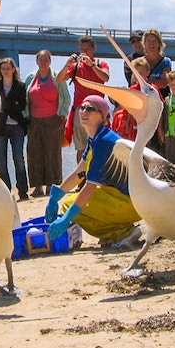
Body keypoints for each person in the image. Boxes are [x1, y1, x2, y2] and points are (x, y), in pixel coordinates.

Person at [45, 95, 142, 249]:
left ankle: (122, 233)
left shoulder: (104, 141)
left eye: (90, 109)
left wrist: (66, 219)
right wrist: (55, 196)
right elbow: (80, 171)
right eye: (81, 108)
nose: (84, 111)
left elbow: (89, 187)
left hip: (130, 202)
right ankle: (115, 232)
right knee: (69, 204)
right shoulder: (95, 138)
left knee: (70, 207)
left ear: (102, 116)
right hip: (121, 198)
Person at [24, 50, 71, 198]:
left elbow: (66, 98)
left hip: (54, 119)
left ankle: (53, 185)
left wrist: (62, 115)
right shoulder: (30, 77)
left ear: (50, 61)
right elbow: (25, 97)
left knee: (53, 153)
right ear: (36, 61)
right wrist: (26, 116)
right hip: (34, 120)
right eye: (40, 59)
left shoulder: (57, 76)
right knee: (34, 153)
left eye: (46, 59)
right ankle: (37, 186)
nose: (43, 62)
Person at [57, 35, 110, 163]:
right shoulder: (75, 66)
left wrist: (92, 66)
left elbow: (105, 77)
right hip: (80, 110)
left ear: (93, 49)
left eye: (87, 49)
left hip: (97, 110)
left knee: (98, 144)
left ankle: (97, 174)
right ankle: (81, 178)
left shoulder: (100, 64)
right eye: (82, 49)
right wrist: (67, 65)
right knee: (81, 147)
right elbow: (59, 80)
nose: (84, 52)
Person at [0, 57, 29, 201]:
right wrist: (10, 105)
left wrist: (5, 107)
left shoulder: (20, 86)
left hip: (17, 127)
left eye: (8, 68)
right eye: (3, 69)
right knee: (1, 162)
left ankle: (23, 190)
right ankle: (5, 192)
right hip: (0, 127)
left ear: (13, 69)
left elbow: (21, 106)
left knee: (19, 159)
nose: (6, 71)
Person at [143, 29, 172, 98]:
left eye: (154, 41)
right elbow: (134, 83)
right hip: (145, 100)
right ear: (144, 44)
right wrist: (155, 81)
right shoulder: (139, 62)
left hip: (162, 99)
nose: (151, 43)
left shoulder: (166, 62)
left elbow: (164, 83)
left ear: (159, 43)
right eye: (148, 41)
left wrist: (145, 82)